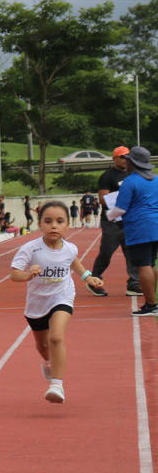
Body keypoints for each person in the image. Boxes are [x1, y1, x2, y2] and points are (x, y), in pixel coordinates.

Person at [10, 200, 105, 403]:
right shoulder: (30, 249)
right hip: (36, 304)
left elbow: (76, 264)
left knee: (56, 337)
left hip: (62, 296)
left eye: (60, 221)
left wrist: (88, 277)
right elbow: (14, 274)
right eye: (48, 221)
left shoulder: (70, 248)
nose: (54, 225)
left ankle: (57, 385)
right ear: (40, 224)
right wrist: (27, 275)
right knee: (43, 345)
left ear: (67, 225)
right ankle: (47, 362)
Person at [88, 146, 142, 297]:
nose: (125, 159)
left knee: (131, 251)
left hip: (129, 220)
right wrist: (123, 200)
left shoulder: (133, 174)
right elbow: (102, 199)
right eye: (122, 157)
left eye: (127, 157)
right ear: (114, 158)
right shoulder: (108, 176)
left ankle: (134, 283)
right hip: (112, 221)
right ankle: (95, 279)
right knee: (106, 251)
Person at [111, 146, 158, 316]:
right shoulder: (156, 180)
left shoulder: (130, 182)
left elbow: (119, 209)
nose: (126, 162)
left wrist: (109, 215)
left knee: (143, 265)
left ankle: (151, 304)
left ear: (133, 162)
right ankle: (152, 302)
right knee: (152, 263)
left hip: (140, 228)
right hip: (155, 226)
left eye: (128, 159)